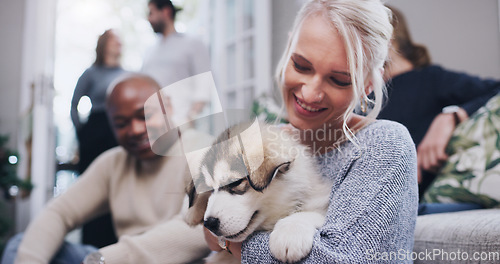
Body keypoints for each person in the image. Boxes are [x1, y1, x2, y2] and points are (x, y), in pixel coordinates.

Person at [203, 0, 418, 263]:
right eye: (301, 66)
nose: (310, 93)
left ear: (369, 85)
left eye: (338, 80)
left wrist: (230, 243)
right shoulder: (261, 145)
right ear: (289, 46)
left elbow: (345, 259)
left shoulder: (384, 144)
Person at [1, 73, 211, 264]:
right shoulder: (113, 162)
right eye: (121, 124)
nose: (136, 129)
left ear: (168, 107)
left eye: (145, 115)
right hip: (115, 260)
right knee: (22, 245)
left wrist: (106, 258)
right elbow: (59, 213)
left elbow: (200, 229)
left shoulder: (206, 151)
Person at [379, 5, 500, 208]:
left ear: (386, 36)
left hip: (427, 200)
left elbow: (496, 91)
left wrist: (452, 116)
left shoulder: (430, 78)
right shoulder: (364, 98)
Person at [70, 29, 126, 248]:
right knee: (93, 187)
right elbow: (74, 105)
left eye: (121, 41)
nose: (119, 44)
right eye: (115, 40)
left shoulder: (126, 73)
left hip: (117, 132)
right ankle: (91, 243)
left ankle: (114, 242)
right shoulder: (91, 73)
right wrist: (82, 133)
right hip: (94, 132)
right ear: (104, 44)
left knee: (115, 184)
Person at [142, 0, 211, 127]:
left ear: (166, 12)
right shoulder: (149, 51)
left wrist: (190, 118)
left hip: (181, 123)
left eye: (151, 13)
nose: (148, 18)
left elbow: (204, 85)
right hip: (153, 126)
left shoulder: (192, 44)